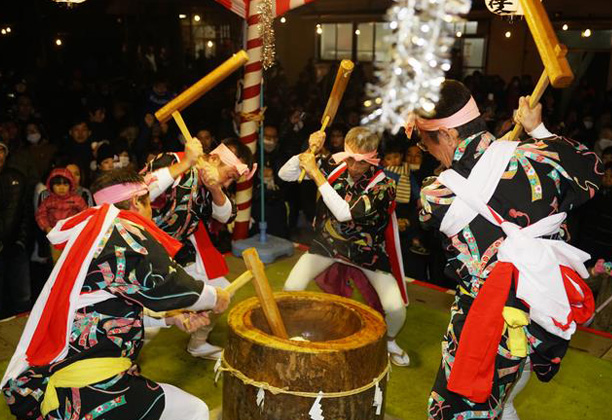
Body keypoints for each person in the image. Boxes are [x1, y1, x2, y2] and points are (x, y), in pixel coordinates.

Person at [415, 81, 601, 420]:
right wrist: (537, 130)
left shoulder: (436, 192)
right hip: (540, 307)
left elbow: (431, 215)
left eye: (424, 141)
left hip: (487, 321)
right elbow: (591, 169)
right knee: (507, 396)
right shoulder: (537, 156)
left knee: (457, 409)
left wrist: (487, 161)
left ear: (447, 136)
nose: (425, 150)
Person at [2, 168, 230, 420]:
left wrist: (169, 319)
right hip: (91, 390)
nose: (151, 211)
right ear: (135, 202)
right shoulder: (122, 232)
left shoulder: (91, 238)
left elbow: (99, 313)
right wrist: (213, 297)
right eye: (149, 203)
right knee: (193, 410)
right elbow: (165, 283)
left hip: (66, 385)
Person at [278, 127, 410, 366]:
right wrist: (307, 152)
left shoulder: (384, 186)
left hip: (366, 252)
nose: (354, 166)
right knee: (291, 286)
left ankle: (389, 341)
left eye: (361, 162)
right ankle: (294, 331)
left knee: (396, 308)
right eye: (350, 158)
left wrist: (316, 173)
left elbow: (344, 213)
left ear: (373, 156)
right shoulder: (333, 165)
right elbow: (285, 174)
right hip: (328, 244)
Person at [142, 136, 255, 360]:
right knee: (148, 320)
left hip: (178, 252)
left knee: (220, 294)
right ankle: (123, 360)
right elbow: (140, 191)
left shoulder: (211, 187)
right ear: (213, 158)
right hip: (141, 251)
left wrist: (215, 189)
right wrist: (185, 165)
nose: (228, 183)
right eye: (230, 176)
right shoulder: (174, 160)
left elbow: (226, 216)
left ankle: (198, 343)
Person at [0, 140, 32, 318]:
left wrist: (21, 241)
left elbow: (26, 211)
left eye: (0, 150)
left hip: (15, 246)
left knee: (22, 300)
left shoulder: (17, 178)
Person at [35, 168, 89, 262]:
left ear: (71, 185)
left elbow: (86, 213)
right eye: (57, 184)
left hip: (73, 235)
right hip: (55, 234)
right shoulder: (48, 201)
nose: (61, 187)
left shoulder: (77, 199)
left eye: (65, 184)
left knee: (74, 259)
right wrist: (47, 227)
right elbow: (40, 214)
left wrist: (80, 228)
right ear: (51, 186)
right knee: (58, 261)